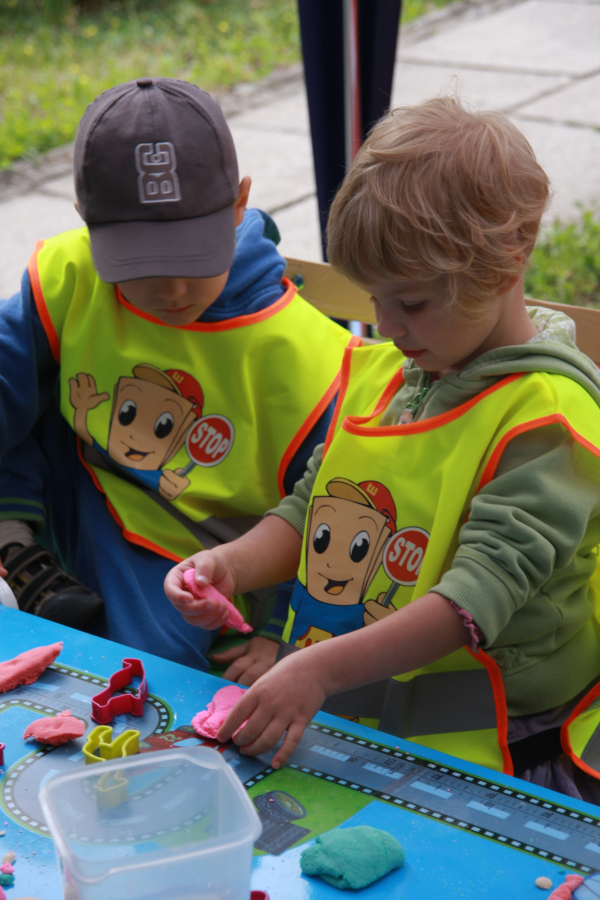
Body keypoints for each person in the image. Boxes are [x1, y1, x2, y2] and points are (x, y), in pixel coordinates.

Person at [165, 97, 600, 803]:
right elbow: (310, 508)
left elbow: (472, 601)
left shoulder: (547, 420)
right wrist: (229, 566)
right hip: (376, 705)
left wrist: (318, 670)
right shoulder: (392, 376)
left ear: (508, 259)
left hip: (505, 742)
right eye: (374, 299)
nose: (387, 327)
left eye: (413, 303)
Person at [0, 77, 355, 678]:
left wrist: (283, 631)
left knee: (146, 670)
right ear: (88, 223)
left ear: (239, 204)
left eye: (192, 256)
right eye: (140, 263)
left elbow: (327, 515)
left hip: (189, 555)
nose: (170, 288)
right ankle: (14, 542)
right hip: (72, 488)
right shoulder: (70, 271)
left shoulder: (305, 357)